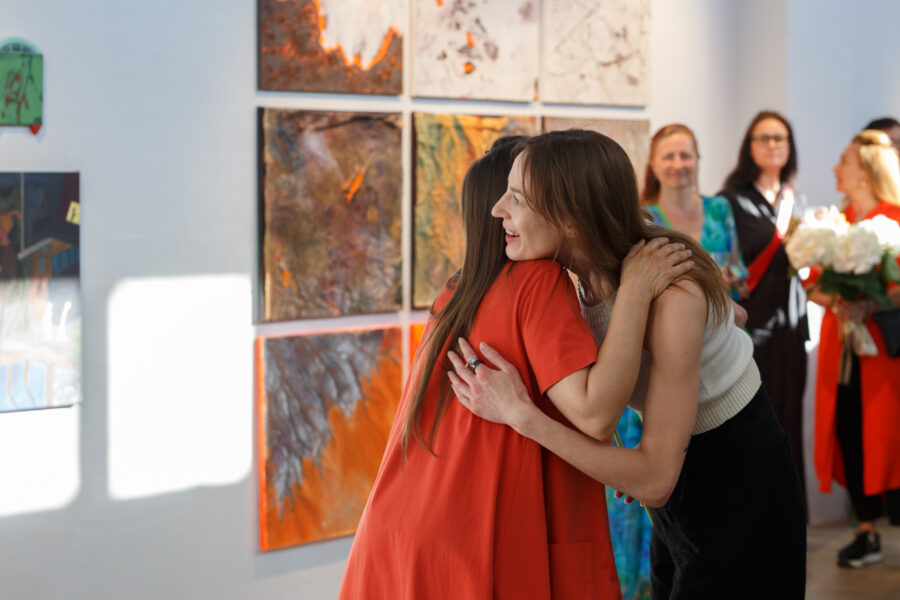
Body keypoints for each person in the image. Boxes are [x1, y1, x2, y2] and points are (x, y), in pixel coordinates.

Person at [448, 129, 806, 599]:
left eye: (516, 198)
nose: (498, 209)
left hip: (738, 484)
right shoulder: (588, 275)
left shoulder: (669, 293)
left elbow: (654, 480)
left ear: (570, 217)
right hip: (681, 477)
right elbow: (732, 315)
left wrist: (521, 415)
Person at [338, 136, 691, 599]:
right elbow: (595, 412)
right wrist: (636, 293)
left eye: (518, 196)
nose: (502, 208)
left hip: (401, 523)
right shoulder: (537, 281)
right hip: (472, 539)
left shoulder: (453, 293)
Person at [808, 130, 900, 568]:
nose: (835, 169)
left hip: (885, 351)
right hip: (842, 347)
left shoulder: (893, 218)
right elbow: (811, 283)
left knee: (888, 432)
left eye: (843, 161)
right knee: (848, 429)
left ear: (865, 171)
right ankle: (866, 529)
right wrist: (839, 302)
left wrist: (871, 303)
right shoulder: (834, 223)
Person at [720, 111, 809, 502]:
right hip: (753, 324)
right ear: (749, 146)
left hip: (794, 323)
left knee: (792, 418)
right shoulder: (730, 200)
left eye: (780, 138)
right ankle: (758, 512)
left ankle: (792, 510)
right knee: (758, 420)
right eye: (763, 138)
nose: (773, 145)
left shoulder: (796, 198)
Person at [643, 123, 748, 300]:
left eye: (685, 156)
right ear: (653, 165)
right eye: (668, 157)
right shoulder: (645, 219)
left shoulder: (719, 207)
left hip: (726, 312)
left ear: (697, 160)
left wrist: (731, 276)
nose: (678, 164)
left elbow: (738, 269)